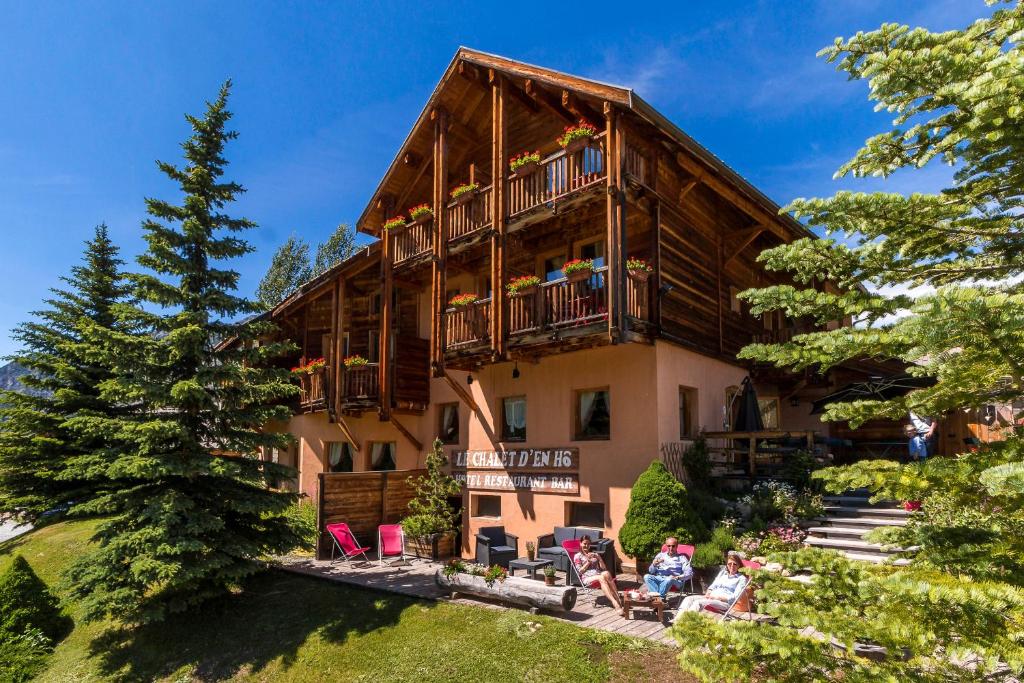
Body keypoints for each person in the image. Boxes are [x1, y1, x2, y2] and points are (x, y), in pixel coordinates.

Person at [673, 552, 749, 621]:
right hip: (711, 597)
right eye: (729, 564)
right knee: (688, 598)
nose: (732, 566)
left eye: (735, 564)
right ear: (727, 564)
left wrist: (718, 598)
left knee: (698, 602)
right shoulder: (723, 573)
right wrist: (708, 592)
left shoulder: (741, 579)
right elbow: (713, 585)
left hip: (724, 602)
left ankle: (685, 622)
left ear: (739, 565)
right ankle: (677, 619)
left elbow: (735, 597)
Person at [573, 535, 622, 611]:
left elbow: (603, 568)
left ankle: (618, 598)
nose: (586, 546)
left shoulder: (593, 554)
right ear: (580, 544)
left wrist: (599, 558)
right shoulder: (577, 556)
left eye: (588, 544)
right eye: (585, 543)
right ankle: (615, 602)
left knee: (606, 573)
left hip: (598, 574)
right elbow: (580, 572)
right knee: (601, 577)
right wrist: (588, 562)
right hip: (587, 577)